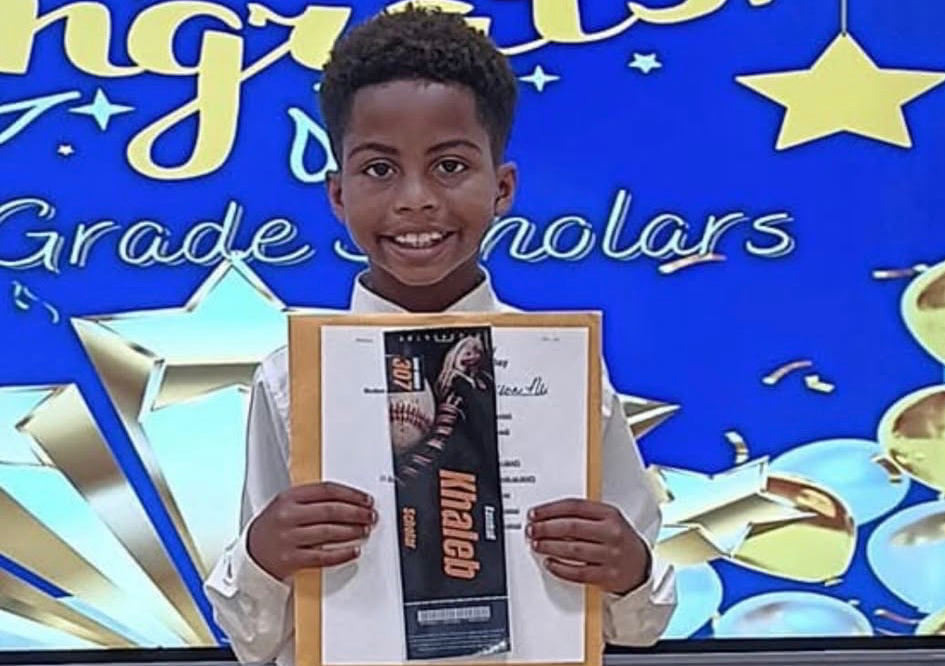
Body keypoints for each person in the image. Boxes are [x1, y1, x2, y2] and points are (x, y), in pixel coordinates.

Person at [202, 6, 676, 665]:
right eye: (378, 170)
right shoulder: (293, 380)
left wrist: (628, 567)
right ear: (337, 195)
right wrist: (263, 555)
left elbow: (640, 622)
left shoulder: (565, 373)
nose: (415, 198)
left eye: (450, 165)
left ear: (501, 188)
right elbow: (252, 640)